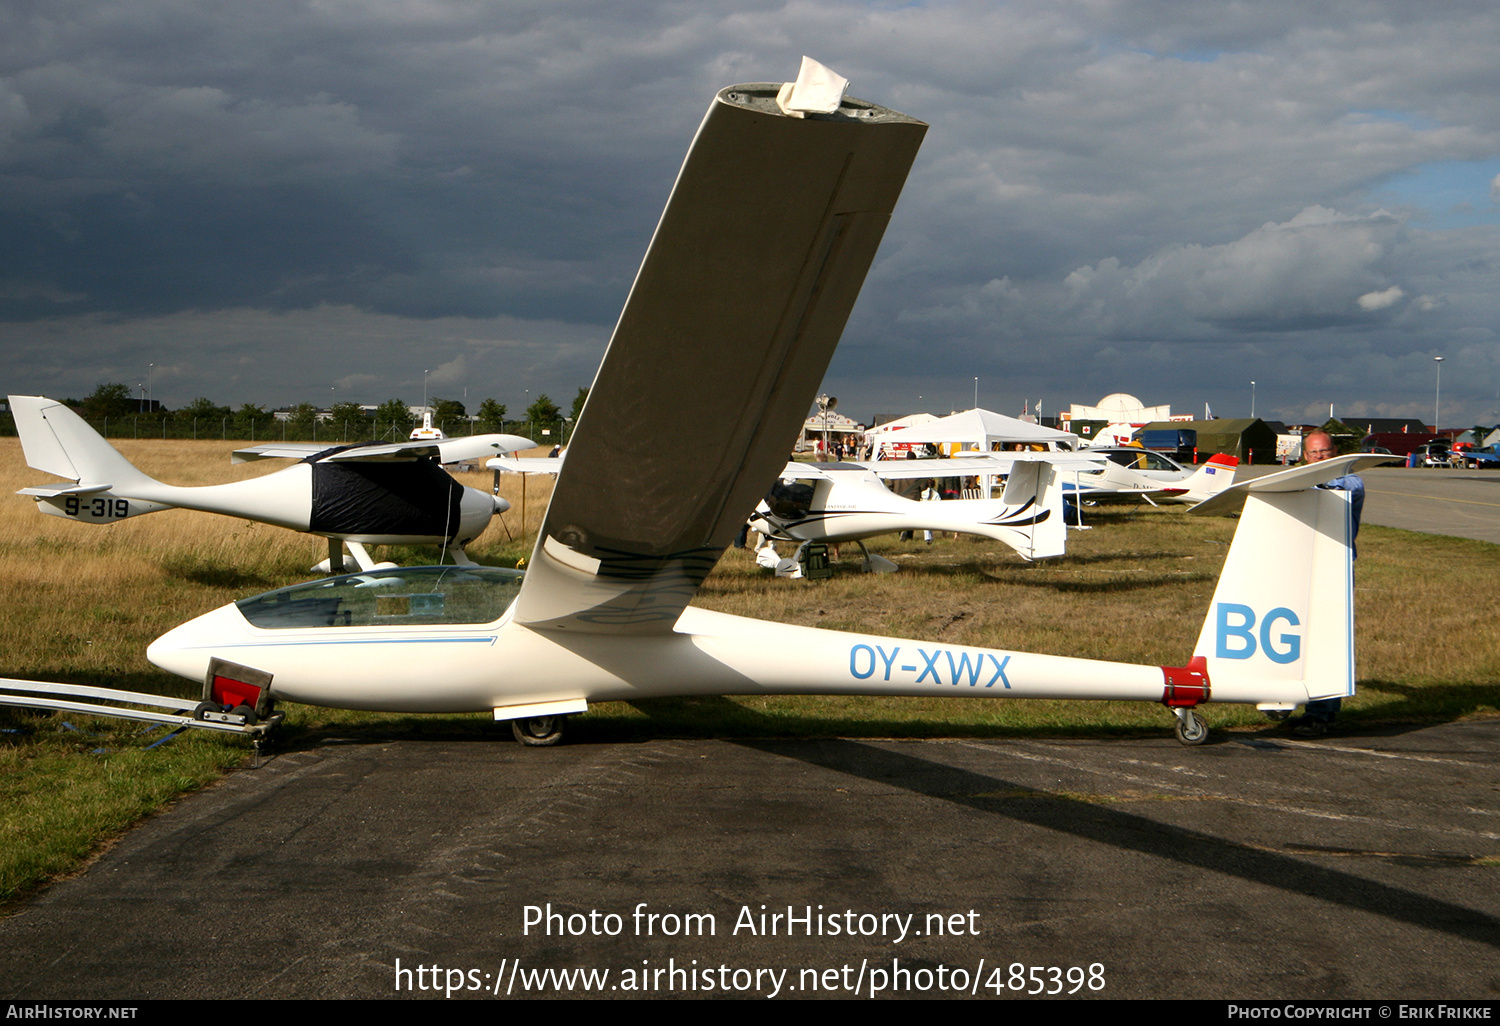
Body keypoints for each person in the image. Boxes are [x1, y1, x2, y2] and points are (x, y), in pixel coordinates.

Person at [1286, 430, 1363, 738]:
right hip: (1303, 567)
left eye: (1325, 452)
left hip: (1335, 570)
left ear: (1336, 453)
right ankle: (1300, 705)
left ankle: (1321, 715)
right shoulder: (1299, 481)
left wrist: (1310, 480)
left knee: (1326, 641)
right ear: (1305, 455)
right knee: (1299, 638)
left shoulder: (1349, 482)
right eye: (1313, 453)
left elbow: (1344, 487)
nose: (1319, 457)